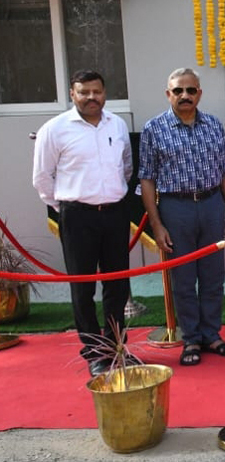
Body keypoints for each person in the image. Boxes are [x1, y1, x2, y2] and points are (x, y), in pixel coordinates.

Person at [32, 69, 132, 377]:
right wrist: (63, 208)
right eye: (84, 92)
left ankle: (116, 346)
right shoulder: (55, 129)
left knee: (118, 284)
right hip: (77, 216)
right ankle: (93, 352)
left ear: (105, 93)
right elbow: (42, 177)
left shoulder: (117, 124)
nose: (91, 97)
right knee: (83, 286)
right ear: (72, 94)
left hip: (115, 213)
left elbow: (125, 166)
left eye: (97, 91)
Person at [139, 68, 225, 365]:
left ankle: (212, 335)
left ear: (200, 93)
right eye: (178, 90)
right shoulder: (153, 129)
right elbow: (146, 180)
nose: (185, 96)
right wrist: (157, 224)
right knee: (183, 280)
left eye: (191, 90)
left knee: (213, 277)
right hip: (176, 208)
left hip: (211, 205)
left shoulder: (213, 125)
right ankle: (192, 340)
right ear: (168, 94)